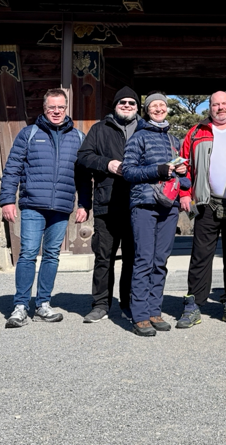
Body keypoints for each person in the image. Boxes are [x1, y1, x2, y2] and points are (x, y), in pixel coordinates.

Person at [0, 88, 89, 329]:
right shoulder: (29, 134)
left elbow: (83, 176)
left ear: (66, 108)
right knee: (28, 253)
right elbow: (12, 168)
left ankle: (43, 304)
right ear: (44, 108)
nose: (57, 111)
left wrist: (84, 204)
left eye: (61, 107)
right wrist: (7, 200)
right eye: (52, 107)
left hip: (61, 208)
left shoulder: (78, 138)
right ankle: (20, 306)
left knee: (52, 255)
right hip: (32, 205)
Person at [176, 91, 226, 329]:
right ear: (209, 107)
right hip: (206, 202)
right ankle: (194, 305)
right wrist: (184, 194)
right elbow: (183, 165)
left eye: (223, 103)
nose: (219, 108)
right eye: (215, 104)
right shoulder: (197, 131)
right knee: (200, 255)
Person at [121, 93, 190, 337]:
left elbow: (183, 179)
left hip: (168, 206)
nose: (159, 109)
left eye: (162, 105)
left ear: (167, 110)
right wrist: (159, 170)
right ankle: (139, 315)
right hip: (144, 204)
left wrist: (182, 174)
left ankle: (154, 311)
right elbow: (127, 171)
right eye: (154, 106)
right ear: (146, 110)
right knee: (144, 259)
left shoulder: (174, 140)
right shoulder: (138, 137)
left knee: (160, 261)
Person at [76, 86, 140, 323]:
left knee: (134, 258)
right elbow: (83, 157)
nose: (126, 105)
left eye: (131, 103)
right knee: (104, 257)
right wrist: (107, 164)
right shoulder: (99, 129)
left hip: (138, 204)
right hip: (107, 203)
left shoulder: (144, 129)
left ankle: (130, 302)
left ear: (137, 107)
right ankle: (101, 304)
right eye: (122, 102)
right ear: (114, 106)